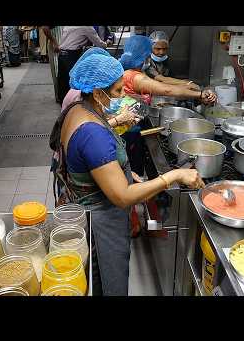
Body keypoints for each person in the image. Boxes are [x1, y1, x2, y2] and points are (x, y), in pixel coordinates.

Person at [49, 53, 205, 295]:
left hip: (83, 202)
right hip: (101, 223)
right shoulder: (93, 135)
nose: (123, 96)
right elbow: (121, 196)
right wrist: (172, 177)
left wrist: (121, 171)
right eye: (119, 90)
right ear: (98, 92)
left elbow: (90, 156)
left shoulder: (77, 108)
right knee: (109, 283)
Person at [118, 35, 217, 176]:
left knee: (133, 165)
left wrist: (188, 85)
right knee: (133, 169)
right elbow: (167, 89)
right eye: (151, 52)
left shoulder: (130, 71)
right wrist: (199, 94)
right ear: (145, 56)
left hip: (129, 126)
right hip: (128, 131)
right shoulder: (136, 77)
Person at [56, 26, 107, 104]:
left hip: (62, 54)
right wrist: (106, 44)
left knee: (62, 79)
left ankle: (62, 101)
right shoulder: (86, 27)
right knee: (73, 80)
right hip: (71, 55)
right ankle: (71, 104)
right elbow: (99, 44)